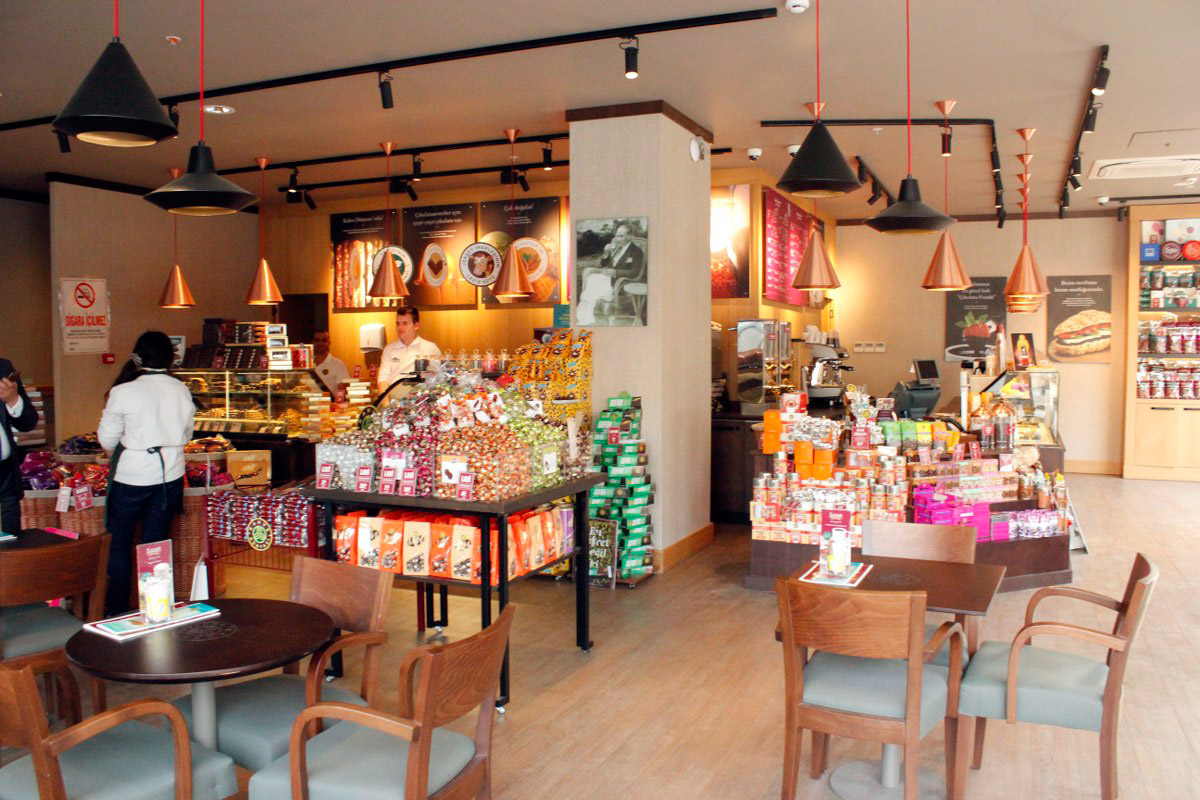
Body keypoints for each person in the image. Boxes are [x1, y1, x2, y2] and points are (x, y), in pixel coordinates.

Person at [97, 332, 195, 614]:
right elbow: (187, 434)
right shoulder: (181, 389)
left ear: (137, 358)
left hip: (131, 477)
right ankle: (156, 608)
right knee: (156, 544)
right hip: (169, 477)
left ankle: (116, 610)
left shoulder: (123, 391)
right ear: (170, 358)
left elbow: (106, 440)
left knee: (119, 544)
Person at [576, 224, 647, 324]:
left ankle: (585, 318)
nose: (618, 239)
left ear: (629, 236)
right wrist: (606, 253)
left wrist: (615, 272)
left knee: (591, 287)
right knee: (591, 281)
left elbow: (635, 272)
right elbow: (603, 264)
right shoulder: (615, 247)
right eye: (617, 236)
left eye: (621, 236)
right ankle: (585, 317)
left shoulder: (636, 251)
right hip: (607, 277)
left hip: (619, 281)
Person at [0, 358, 39, 532]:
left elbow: (29, 422)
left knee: (10, 540)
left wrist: (12, 400)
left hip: (4, 477)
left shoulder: (3, 366)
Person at [376, 306, 442, 392]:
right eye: (398, 323)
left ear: (416, 325)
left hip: (420, 396)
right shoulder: (389, 349)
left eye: (405, 323)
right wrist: (385, 400)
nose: (400, 327)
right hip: (393, 396)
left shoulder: (430, 348)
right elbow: (383, 378)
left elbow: (439, 378)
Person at [312, 330, 349, 394]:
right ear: (313, 342)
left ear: (329, 343)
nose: (320, 343)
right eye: (317, 340)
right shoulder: (305, 364)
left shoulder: (338, 364)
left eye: (324, 340)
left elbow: (342, 391)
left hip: (330, 400)